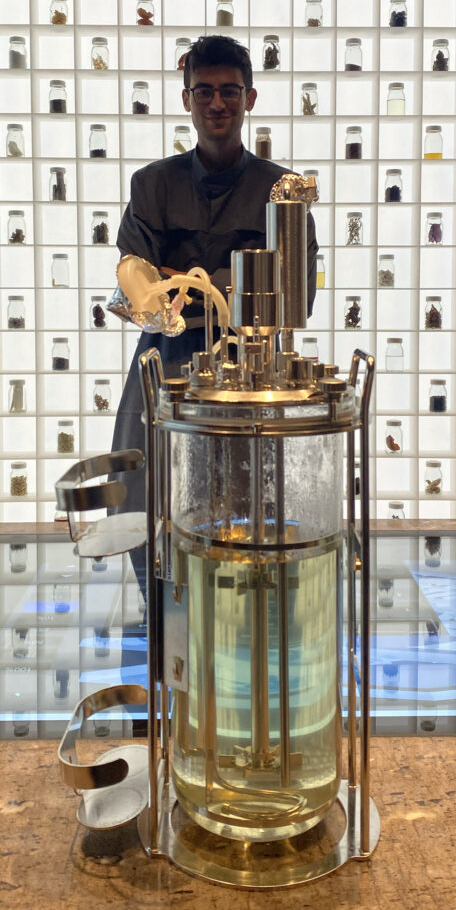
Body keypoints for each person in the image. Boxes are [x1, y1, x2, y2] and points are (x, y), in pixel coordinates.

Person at [110, 34, 319, 539]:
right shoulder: (151, 184)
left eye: (229, 90)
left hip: (252, 371)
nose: (216, 103)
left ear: (249, 98)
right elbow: (135, 277)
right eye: (203, 91)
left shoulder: (281, 189)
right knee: (150, 507)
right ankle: (153, 610)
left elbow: (298, 297)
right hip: (166, 361)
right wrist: (240, 277)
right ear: (186, 99)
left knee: (250, 511)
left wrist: (179, 277)